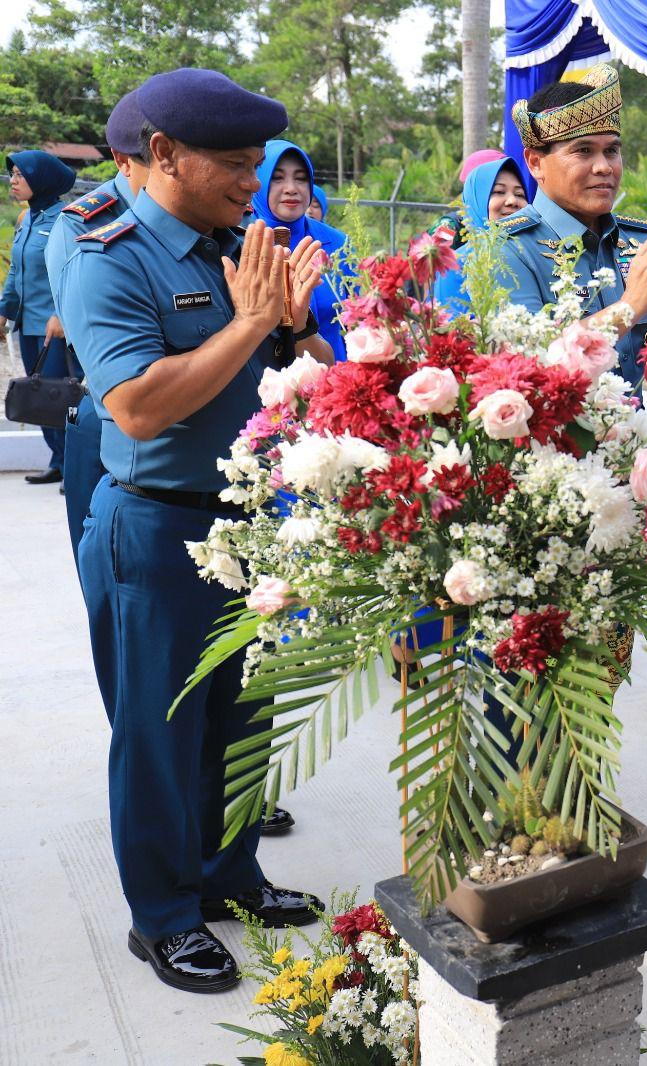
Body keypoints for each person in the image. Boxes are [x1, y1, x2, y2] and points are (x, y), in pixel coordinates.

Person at [58, 67, 329, 994]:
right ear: (162, 153)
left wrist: (285, 331)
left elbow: (284, 361)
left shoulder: (234, 239)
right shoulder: (104, 249)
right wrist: (252, 323)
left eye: (258, 163)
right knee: (160, 733)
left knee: (242, 717)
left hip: (253, 522)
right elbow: (135, 406)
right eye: (232, 163)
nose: (252, 181)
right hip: (158, 527)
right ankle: (165, 916)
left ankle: (228, 877)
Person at [500, 66, 647, 385]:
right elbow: (532, 362)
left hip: (633, 434)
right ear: (535, 163)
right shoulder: (509, 248)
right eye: (583, 151)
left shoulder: (638, 244)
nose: (604, 167)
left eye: (612, 150)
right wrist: (630, 306)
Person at [47, 92, 149, 561]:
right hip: (105, 407)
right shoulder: (84, 223)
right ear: (123, 160)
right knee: (105, 562)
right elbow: (89, 331)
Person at [2, 147, 76, 484]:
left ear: (42, 180)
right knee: (37, 397)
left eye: (21, 175)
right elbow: (16, 271)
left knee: (58, 397)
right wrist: (3, 311)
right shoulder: (25, 218)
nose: (13, 181)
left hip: (56, 328)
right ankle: (59, 462)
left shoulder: (67, 218)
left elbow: (75, 272)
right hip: (26, 323)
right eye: (13, 175)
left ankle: (74, 465)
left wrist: (61, 314)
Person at [250, 139, 352, 360]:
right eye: (277, 178)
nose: (291, 189)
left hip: (334, 381)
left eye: (301, 179)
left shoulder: (338, 244)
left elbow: (361, 322)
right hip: (266, 386)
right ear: (258, 181)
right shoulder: (241, 242)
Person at [433, 156, 528, 315]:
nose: (512, 201)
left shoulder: (536, 253)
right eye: (498, 191)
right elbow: (433, 261)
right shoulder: (450, 227)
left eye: (520, 194)